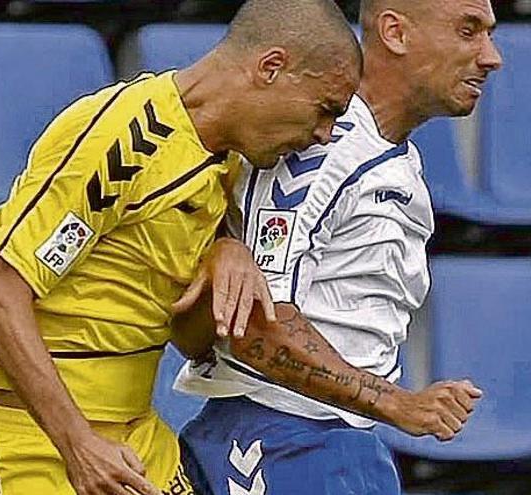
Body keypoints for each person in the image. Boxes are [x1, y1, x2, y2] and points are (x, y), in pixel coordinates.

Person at [0, 1, 362, 494]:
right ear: (271, 67)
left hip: (131, 439)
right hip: (20, 447)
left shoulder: (229, 163)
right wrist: (77, 444)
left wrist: (228, 248)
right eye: (325, 108)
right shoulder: (124, 138)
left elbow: (192, 338)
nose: (324, 135)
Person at [172, 0, 504, 493]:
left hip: (332, 441)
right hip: (280, 439)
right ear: (395, 33)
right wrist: (397, 403)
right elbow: (255, 324)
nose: (491, 56)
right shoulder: (321, 146)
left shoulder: (392, 155)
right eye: (468, 30)